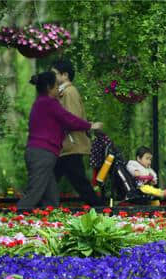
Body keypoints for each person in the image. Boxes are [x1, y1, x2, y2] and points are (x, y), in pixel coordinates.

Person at [17, 71, 103, 210]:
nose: (59, 88)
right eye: (57, 86)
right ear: (49, 88)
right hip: (42, 154)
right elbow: (68, 119)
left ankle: (50, 220)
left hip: (40, 153)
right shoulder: (50, 103)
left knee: (50, 196)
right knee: (34, 192)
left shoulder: (40, 103)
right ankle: (16, 218)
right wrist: (90, 125)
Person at [51, 59, 102, 206]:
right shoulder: (63, 93)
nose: (52, 77)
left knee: (77, 181)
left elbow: (72, 118)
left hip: (71, 144)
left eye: (54, 74)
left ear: (65, 75)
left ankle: (99, 208)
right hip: (67, 145)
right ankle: (99, 207)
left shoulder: (69, 92)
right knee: (53, 178)